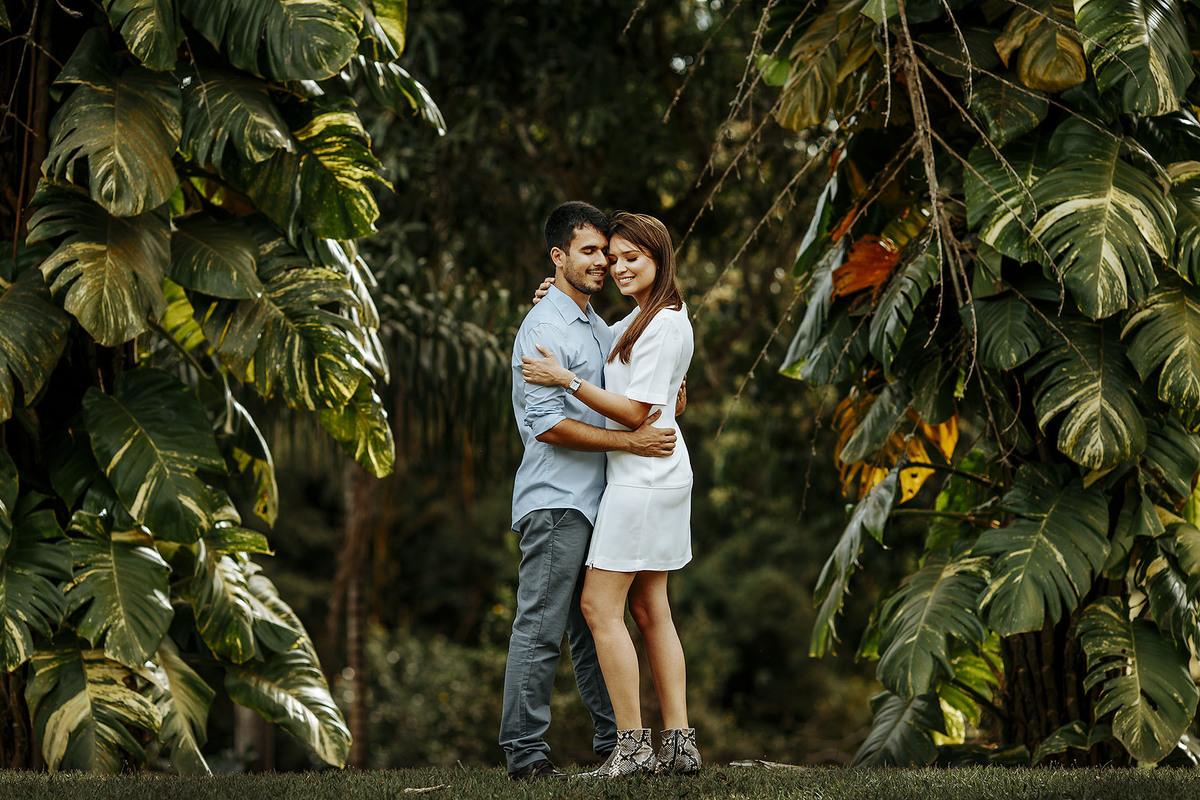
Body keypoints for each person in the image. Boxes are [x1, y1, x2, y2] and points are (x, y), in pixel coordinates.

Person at [502, 201, 678, 781]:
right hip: (557, 499)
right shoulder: (548, 326)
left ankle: (616, 745)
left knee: (591, 624)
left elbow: (639, 379)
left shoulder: (590, 324)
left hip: (595, 499)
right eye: (589, 251)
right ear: (558, 257)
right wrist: (629, 445)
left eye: (607, 252)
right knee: (542, 625)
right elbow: (547, 424)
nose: (603, 261)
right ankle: (526, 755)